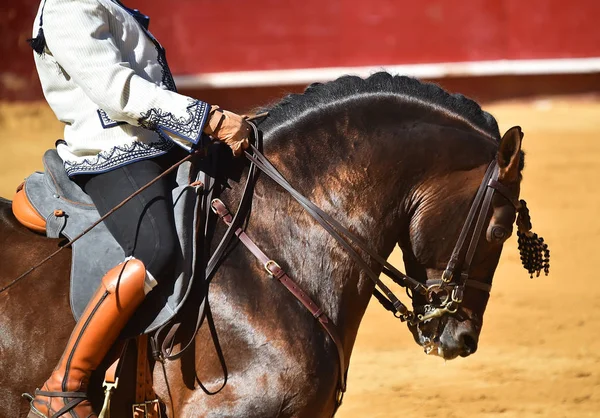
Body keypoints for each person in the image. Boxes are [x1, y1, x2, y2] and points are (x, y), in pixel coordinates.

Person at [25, 0, 251, 416]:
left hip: (156, 145)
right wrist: (208, 119)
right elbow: (115, 89)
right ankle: (63, 384)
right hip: (111, 154)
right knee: (157, 249)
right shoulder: (66, 6)